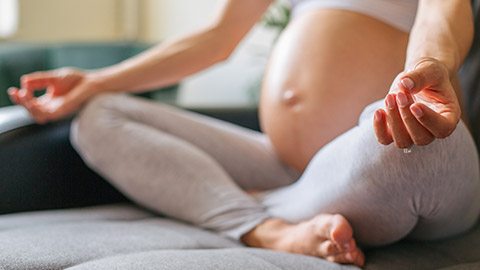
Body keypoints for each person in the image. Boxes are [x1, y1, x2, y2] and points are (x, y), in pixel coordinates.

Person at [7, 0, 480, 267]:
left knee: (416, 145)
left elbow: (441, 15)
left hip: (378, 150)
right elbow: (216, 39)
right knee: (100, 114)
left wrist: (426, 68)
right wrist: (95, 81)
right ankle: (264, 226)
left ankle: (223, 199)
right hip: (287, 166)